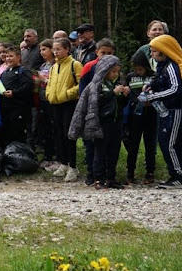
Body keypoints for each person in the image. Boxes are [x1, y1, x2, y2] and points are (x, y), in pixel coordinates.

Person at [69, 55, 127, 189]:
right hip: (101, 123)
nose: (115, 74)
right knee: (100, 152)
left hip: (115, 122)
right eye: (113, 71)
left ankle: (111, 178)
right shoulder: (96, 85)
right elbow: (97, 101)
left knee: (114, 151)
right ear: (104, 71)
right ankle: (98, 178)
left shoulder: (115, 84)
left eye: (117, 72)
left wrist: (124, 95)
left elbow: (120, 104)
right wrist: (113, 93)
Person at [145, 35, 182, 189]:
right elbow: (161, 82)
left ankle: (178, 176)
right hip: (166, 110)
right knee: (166, 142)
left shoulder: (172, 66)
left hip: (174, 110)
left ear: (163, 51)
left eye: (154, 51)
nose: (152, 54)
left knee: (171, 144)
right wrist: (151, 86)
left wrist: (153, 96)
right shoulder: (162, 66)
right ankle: (174, 175)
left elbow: (175, 89)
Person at [76, 38, 116, 185]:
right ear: (96, 52)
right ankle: (91, 174)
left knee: (105, 145)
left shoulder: (115, 67)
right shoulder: (89, 66)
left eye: (109, 53)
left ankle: (105, 174)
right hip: (91, 111)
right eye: (102, 52)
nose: (105, 55)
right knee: (90, 144)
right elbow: (82, 89)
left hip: (107, 113)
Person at [46, 38, 82, 182]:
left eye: (58, 49)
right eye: (54, 49)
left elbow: (82, 84)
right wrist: (49, 94)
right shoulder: (54, 67)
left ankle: (73, 166)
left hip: (69, 104)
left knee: (69, 135)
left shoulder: (75, 64)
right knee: (58, 134)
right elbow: (49, 83)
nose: (55, 52)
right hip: (55, 104)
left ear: (67, 49)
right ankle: (63, 163)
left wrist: (67, 94)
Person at [123, 50, 157, 184]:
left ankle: (150, 172)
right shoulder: (130, 77)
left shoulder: (154, 76)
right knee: (133, 145)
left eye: (140, 68)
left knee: (150, 145)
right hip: (135, 115)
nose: (138, 71)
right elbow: (128, 93)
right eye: (136, 68)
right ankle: (130, 172)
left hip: (151, 114)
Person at [0, 46, 34, 147]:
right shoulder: (5, 72)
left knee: (18, 133)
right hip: (5, 108)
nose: (8, 59)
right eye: (6, 56)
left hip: (19, 109)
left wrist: (14, 93)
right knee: (7, 132)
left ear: (18, 57)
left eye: (11, 56)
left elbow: (28, 86)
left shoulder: (23, 71)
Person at [33, 39, 56, 167]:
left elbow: (54, 82)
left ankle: (55, 156)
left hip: (52, 100)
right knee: (44, 129)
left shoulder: (55, 65)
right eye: (40, 50)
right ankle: (47, 156)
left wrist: (44, 79)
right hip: (42, 100)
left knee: (53, 129)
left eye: (44, 49)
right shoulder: (43, 65)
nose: (42, 52)